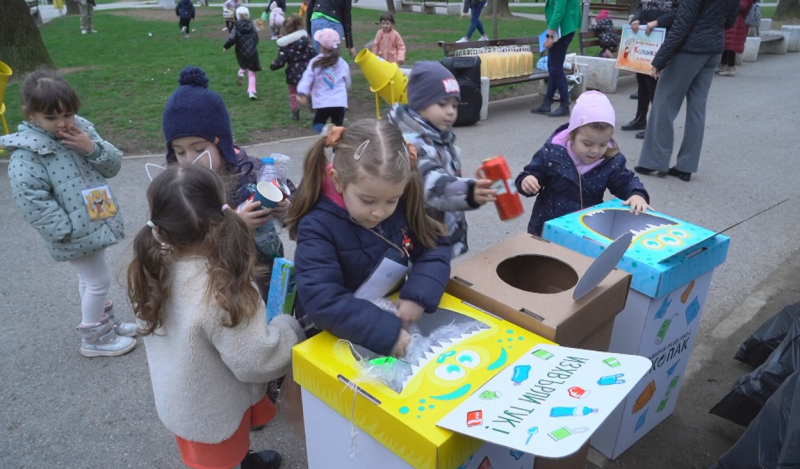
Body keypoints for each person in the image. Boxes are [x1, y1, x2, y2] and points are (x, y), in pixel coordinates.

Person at [128, 165, 304, 469]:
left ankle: (241, 459)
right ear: (221, 219)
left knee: (218, 456)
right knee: (221, 461)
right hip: (215, 413)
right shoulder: (221, 287)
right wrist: (288, 328)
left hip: (185, 401)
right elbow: (257, 360)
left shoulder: (151, 268)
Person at [286, 120, 451, 357]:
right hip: (332, 339)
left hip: (387, 319)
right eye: (368, 201)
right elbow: (322, 299)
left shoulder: (401, 203)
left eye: (391, 200)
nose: (380, 212)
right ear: (338, 180)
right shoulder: (317, 226)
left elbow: (434, 246)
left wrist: (418, 295)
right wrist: (386, 331)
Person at [1, 71, 136, 357]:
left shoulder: (81, 131)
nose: (62, 123)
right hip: (74, 230)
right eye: (51, 118)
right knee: (99, 281)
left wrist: (90, 147)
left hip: (96, 217)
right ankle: (93, 338)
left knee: (90, 280)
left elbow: (112, 166)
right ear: (31, 114)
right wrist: (64, 230)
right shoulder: (27, 152)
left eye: (68, 114)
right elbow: (30, 198)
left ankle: (102, 322)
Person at [162, 66, 293, 305]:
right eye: (179, 152)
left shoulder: (251, 171)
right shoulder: (181, 188)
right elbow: (181, 243)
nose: (189, 160)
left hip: (265, 277)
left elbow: (295, 199)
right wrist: (237, 224)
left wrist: (286, 208)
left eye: (199, 149)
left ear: (221, 143)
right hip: (219, 287)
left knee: (271, 322)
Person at [388, 61, 496, 257]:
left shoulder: (437, 134)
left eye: (454, 105)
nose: (451, 111)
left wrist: (462, 178)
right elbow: (431, 183)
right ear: (420, 102)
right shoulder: (414, 143)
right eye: (442, 104)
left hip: (439, 227)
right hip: (424, 236)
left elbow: (442, 170)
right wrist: (468, 190)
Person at [516, 91, 651, 236]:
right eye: (587, 143)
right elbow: (532, 173)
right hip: (546, 228)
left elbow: (625, 182)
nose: (595, 150)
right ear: (572, 134)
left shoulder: (610, 161)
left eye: (603, 144)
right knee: (544, 258)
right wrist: (527, 180)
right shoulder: (552, 153)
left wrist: (637, 194)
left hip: (585, 232)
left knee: (578, 259)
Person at [634, 0, 739, 182]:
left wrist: (659, 60)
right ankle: (686, 166)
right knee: (697, 109)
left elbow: (683, 24)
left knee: (664, 103)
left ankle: (655, 162)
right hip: (713, 50)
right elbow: (729, 21)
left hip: (690, 49)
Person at [622, 0, 678, 139]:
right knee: (642, 80)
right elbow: (642, 7)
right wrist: (636, 19)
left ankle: (656, 126)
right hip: (645, 38)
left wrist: (657, 22)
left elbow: (678, 12)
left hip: (663, 38)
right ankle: (640, 118)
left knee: (654, 83)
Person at [531, 0, 582, 117]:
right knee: (553, 67)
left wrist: (549, 35)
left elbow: (559, 12)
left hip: (562, 31)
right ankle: (546, 103)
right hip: (564, 28)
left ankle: (564, 105)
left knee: (555, 68)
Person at [297, 29, 351, 133]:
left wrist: (302, 92)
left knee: (317, 125)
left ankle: (325, 132)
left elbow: (307, 78)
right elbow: (347, 82)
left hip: (323, 102)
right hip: (339, 102)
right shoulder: (343, 64)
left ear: (321, 46)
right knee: (338, 130)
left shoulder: (315, 63)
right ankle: (337, 147)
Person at [270, 14, 317, 122]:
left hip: (292, 73)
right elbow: (314, 54)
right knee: (309, 88)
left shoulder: (285, 45)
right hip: (306, 72)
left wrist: (273, 65)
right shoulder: (305, 42)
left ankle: (295, 113)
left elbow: (280, 61)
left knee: (293, 93)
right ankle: (311, 101)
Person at [224, 7, 262, 100]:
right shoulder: (253, 26)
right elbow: (256, 39)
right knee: (252, 73)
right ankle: (251, 92)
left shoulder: (236, 28)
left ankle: (241, 73)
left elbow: (231, 39)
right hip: (252, 52)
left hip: (241, 52)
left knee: (243, 65)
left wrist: (226, 46)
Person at [720, 0, 755, 76]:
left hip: (737, 21)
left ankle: (731, 67)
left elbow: (742, 6)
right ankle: (723, 65)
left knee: (730, 46)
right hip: (733, 19)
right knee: (726, 44)